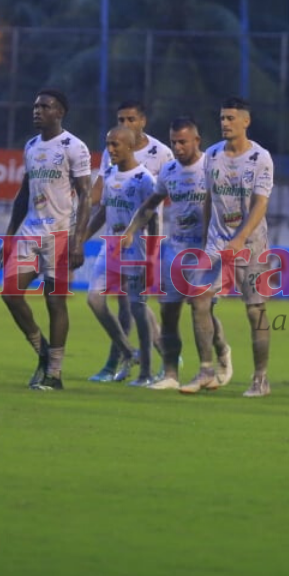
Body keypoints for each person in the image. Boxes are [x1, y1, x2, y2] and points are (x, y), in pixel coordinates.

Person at [121, 117, 232, 390]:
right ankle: (171, 374)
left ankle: (214, 362)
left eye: (183, 141)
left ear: (197, 141)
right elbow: (151, 204)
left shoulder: (212, 167)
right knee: (169, 312)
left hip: (206, 251)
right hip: (174, 250)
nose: (178, 147)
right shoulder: (169, 171)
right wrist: (132, 229)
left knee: (199, 306)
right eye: (173, 142)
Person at [0, 89, 91, 391]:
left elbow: (87, 195)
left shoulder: (74, 147)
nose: (37, 111)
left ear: (60, 112)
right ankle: (42, 352)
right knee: (11, 293)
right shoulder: (31, 146)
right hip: (30, 232)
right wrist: (9, 237)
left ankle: (55, 373)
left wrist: (79, 241)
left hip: (61, 234)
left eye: (45, 106)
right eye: (36, 105)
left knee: (55, 302)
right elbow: (23, 194)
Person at [188, 97, 274, 397]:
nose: (224, 123)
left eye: (230, 118)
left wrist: (239, 239)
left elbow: (261, 204)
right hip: (216, 241)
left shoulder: (261, 158)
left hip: (251, 244)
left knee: (255, 311)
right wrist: (205, 239)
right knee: (197, 300)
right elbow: (210, 197)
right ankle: (206, 371)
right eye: (222, 118)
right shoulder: (211, 155)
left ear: (245, 122)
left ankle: (261, 378)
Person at [90, 100, 174, 375]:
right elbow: (102, 200)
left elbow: (159, 205)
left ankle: (134, 364)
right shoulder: (112, 154)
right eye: (121, 119)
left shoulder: (162, 154)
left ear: (142, 121)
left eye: (130, 119)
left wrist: (154, 249)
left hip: (139, 241)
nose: (125, 124)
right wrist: (80, 235)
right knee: (105, 300)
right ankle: (132, 355)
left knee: (133, 305)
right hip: (114, 241)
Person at [83, 126, 158, 386]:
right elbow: (103, 211)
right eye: (108, 144)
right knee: (94, 299)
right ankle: (128, 351)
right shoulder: (112, 174)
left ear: (130, 146)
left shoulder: (144, 179)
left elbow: (153, 218)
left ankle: (146, 372)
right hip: (110, 247)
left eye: (115, 145)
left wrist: (151, 258)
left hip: (135, 250)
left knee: (138, 310)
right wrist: (82, 238)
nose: (110, 150)